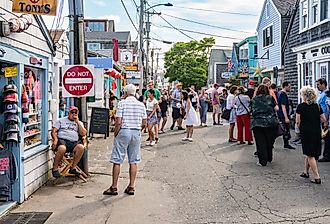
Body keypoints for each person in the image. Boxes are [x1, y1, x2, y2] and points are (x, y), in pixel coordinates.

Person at [103, 84, 147, 196]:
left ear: (126, 93)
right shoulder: (141, 105)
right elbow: (144, 122)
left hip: (124, 130)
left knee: (117, 159)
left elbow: (118, 121)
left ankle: (114, 187)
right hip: (136, 131)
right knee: (134, 160)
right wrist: (138, 131)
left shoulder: (122, 103)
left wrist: (116, 133)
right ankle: (131, 186)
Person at [296, 86, 327, 184]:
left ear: (304, 96)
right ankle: (305, 172)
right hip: (316, 131)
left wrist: (300, 129)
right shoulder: (317, 106)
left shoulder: (300, 106)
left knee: (310, 154)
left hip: (306, 132)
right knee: (309, 152)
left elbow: (297, 121)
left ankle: (317, 177)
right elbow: (324, 119)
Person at [51, 106, 87, 178]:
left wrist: (77, 122)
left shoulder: (79, 123)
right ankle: (55, 169)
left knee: (81, 147)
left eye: (75, 113)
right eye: (72, 112)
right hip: (62, 141)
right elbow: (54, 131)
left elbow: (83, 133)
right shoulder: (61, 121)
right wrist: (55, 140)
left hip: (74, 142)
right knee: (62, 149)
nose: (73, 114)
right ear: (68, 113)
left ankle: (73, 168)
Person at [251, 85, 279, 166]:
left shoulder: (254, 99)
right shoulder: (270, 98)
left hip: (257, 123)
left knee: (260, 142)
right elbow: (277, 108)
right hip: (270, 122)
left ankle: (262, 161)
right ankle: (269, 158)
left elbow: (251, 110)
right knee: (269, 141)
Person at [278, 81, 295, 150]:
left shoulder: (280, 93)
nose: (290, 88)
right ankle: (286, 143)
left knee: (285, 129)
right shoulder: (283, 94)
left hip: (281, 114)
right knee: (285, 129)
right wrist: (286, 117)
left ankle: (286, 143)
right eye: (289, 86)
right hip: (283, 115)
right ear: (285, 86)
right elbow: (283, 106)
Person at [316, 78, 330, 162]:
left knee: (327, 138)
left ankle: (327, 155)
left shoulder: (326, 95)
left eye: (318, 84)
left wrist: (326, 121)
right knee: (325, 137)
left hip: (326, 119)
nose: (317, 86)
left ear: (323, 84)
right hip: (322, 119)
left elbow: (328, 108)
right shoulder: (321, 94)